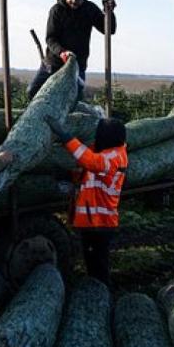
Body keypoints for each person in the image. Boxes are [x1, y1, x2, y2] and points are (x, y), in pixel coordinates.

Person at [45, 115, 127, 287]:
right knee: (93, 263)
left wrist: (65, 135)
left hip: (100, 223)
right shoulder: (107, 154)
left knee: (99, 266)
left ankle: (101, 298)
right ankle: (95, 292)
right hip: (92, 222)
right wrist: (69, 175)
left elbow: (91, 162)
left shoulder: (114, 156)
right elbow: (91, 175)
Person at [27, 0, 116, 102]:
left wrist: (109, 12)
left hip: (77, 66)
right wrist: (62, 52)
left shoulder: (89, 9)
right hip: (53, 63)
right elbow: (50, 38)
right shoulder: (57, 10)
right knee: (32, 91)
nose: (74, 1)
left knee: (74, 100)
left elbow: (109, 30)